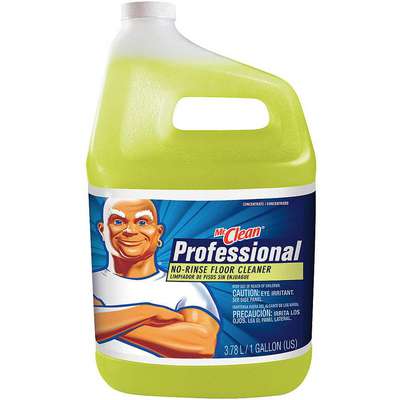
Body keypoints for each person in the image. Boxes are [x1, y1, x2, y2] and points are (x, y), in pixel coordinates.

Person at [92, 198, 220, 359]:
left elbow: (202, 344)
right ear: (102, 230)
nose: (130, 230)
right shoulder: (91, 282)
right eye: (118, 221)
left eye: (142, 222)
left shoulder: (186, 285)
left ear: (158, 232)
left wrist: (106, 322)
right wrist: (149, 312)